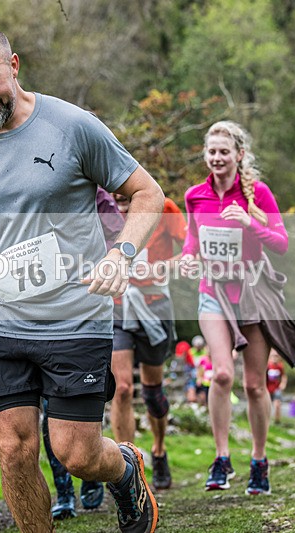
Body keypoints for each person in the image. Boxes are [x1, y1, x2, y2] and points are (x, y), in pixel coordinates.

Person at [0, 25, 164, 533]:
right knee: (14, 448)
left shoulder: (73, 126)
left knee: (76, 454)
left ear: (14, 66)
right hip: (0, 319)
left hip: (76, 316)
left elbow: (147, 193)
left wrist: (121, 254)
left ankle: (125, 467)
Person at [180, 120, 295, 496]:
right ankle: (221, 458)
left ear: (239, 155)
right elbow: (192, 238)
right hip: (212, 291)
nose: (217, 158)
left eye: (224, 151)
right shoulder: (195, 195)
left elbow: (282, 243)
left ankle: (259, 460)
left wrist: (249, 222)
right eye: (211, 151)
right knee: (221, 375)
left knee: (254, 384)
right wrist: (188, 257)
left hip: (251, 293)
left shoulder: (259, 193)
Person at [42, 187, 121, 520]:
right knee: (47, 407)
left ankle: (90, 472)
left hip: (83, 312)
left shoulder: (96, 195)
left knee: (79, 402)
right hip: (37, 309)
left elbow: (119, 235)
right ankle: (64, 493)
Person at [109, 193, 186, 491]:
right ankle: (127, 468)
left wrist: (162, 267)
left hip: (155, 306)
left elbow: (191, 250)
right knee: (122, 388)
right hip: (117, 307)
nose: (118, 197)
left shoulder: (164, 208)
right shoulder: (101, 207)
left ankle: (159, 449)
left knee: (153, 393)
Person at [266, 350, 287, 424]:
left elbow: (284, 376)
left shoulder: (280, 366)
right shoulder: (267, 366)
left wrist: (283, 384)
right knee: (267, 404)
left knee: (277, 404)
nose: (275, 358)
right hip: (268, 388)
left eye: (276, 356)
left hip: (276, 388)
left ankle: (277, 421)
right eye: (273, 356)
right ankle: (266, 420)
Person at [192, 336, 212, 407]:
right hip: (205, 381)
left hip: (212, 381)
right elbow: (200, 370)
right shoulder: (203, 359)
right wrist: (199, 378)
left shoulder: (215, 359)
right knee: (203, 394)